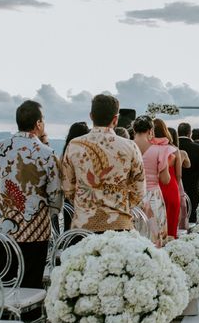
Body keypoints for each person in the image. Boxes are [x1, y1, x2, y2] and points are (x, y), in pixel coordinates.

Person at [0, 100, 63, 289]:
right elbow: (55, 194)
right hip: (35, 230)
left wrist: (5, 207)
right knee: (30, 284)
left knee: (5, 281)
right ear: (38, 124)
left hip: (4, 228)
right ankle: (29, 317)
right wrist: (49, 215)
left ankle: (5, 317)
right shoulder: (48, 153)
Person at [62, 95, 146, 234]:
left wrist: (85, 205)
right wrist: (121, 205)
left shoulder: (74, 145)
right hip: (119, 224)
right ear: (115, 119)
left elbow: (67, 188)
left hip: (83, 226)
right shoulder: (130, 146)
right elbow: (139, 190)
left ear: (91, 116)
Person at [133, 117, 172, 246]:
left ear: (134, 129)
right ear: (150, 130)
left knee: (134, 236)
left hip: (133, 198)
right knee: (154, 236)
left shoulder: (127, 148)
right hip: (153, 197)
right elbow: (165, 180)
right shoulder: (159, 150)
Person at [153, 119, 182, 239]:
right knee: (171, 225)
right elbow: (179, 174)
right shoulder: (174, 149)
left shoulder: (149, 149)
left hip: (154, 189)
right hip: (171, 187)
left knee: (154, 228)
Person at [178, 123, 199, 223]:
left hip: (175, 185)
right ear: (189, 133)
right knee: (191, 215)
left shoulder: (174, 146)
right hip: (192, 186)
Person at [171, 127, 191, 231]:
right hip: (176, 181)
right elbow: (188, 165)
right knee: (181, 205)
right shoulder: (180, 152)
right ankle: (179, 228)